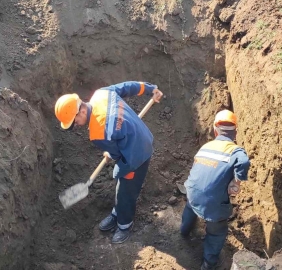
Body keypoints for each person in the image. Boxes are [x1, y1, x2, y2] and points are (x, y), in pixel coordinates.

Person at [54, 81, 163, 244]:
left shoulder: (99, 134)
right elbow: (128, 87)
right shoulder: (101, 94)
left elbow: (118, 155)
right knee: (119, 181)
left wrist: (112, 157)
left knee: (125, 188)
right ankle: (117, 212)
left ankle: (125, 225)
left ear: (81, 110)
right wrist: (150, 88)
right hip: (140, 134)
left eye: (74, 122)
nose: (76, 126)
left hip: (137, 154)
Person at [180, 109, 250, 270]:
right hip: (212, 202)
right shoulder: (235, 150)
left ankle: (184, 231)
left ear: (215, 130)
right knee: (216, 232)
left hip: (191, 190)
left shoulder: (206, 146)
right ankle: (208, 264)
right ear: (236, 132)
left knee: (191, 207)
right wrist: (237, 182)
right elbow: (244, 162)